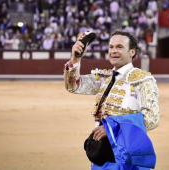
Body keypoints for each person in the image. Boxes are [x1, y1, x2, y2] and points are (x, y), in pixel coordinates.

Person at [64, 29, 160, 169]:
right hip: (102, 153)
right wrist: (75, 60)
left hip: (126, 153)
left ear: (132, 52)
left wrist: (111, 129)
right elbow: (74, 86)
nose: (114, 51)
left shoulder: (143, 80)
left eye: (120, 47)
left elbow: (152, 118)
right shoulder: (105, 78)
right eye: (111, 47)